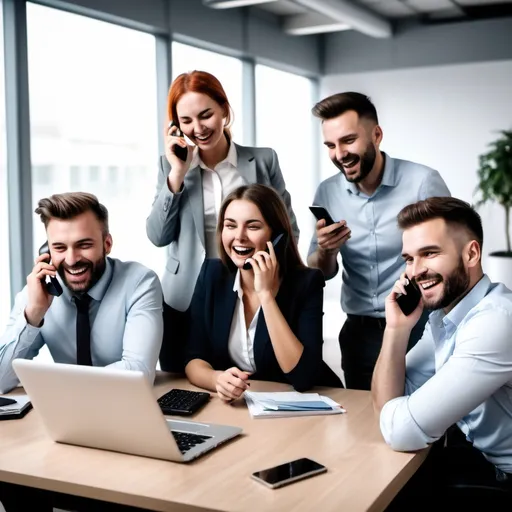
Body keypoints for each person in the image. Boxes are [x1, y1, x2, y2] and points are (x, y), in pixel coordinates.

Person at [146, 70, 299, 374]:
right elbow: (158, 236)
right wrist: (177, 174)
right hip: (186, 298)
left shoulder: (263, 160)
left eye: (206, 115)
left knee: (252, 385)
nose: (198, 128)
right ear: (175, 126)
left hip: (251, 291)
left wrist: (277, 281)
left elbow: (288, 229)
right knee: (185, 386)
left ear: (224, 111)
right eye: (186, 121)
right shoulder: (171, 166)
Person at [372, 197, 512, 505]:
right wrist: (397, 330)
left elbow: (399, 430)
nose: (416, 271)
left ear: (471, 253)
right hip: (480, 461)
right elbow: (389, 403)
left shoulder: (495, 322)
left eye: (430, 254)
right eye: (409, 259)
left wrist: (402, 411)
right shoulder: (445, 317)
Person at [307, 91, 451, 390]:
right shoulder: (327, 193)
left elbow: (449, 256)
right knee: (365, 426)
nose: (339, 154)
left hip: (419, 326)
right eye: (330, 145)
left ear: (377, 135)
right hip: (359, 333)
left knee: (425, 425)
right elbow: (320, 271)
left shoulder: (423, 182)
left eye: (348, 140)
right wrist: (325, 250)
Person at [184, 184, 341, 400]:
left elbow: (302, 377)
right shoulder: (212, 275)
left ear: (277, 236)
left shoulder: (306, 283)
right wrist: (216, 379)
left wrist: (266, 295)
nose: (239, 236)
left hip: (302, 409)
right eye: (230, 225)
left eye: (253, 226)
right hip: (245, 406)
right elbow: (194, 358)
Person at [0, 192, 163, 394]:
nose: (71, 259)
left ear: (107, 244)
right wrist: (33, 313)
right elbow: (1, 380)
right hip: (65, 414)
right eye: (59, 247)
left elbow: (138, 373)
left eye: (83, 245)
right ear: (47, 252)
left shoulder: (140, 283)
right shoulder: (38, 293)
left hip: (122, 406)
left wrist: (61, 386)